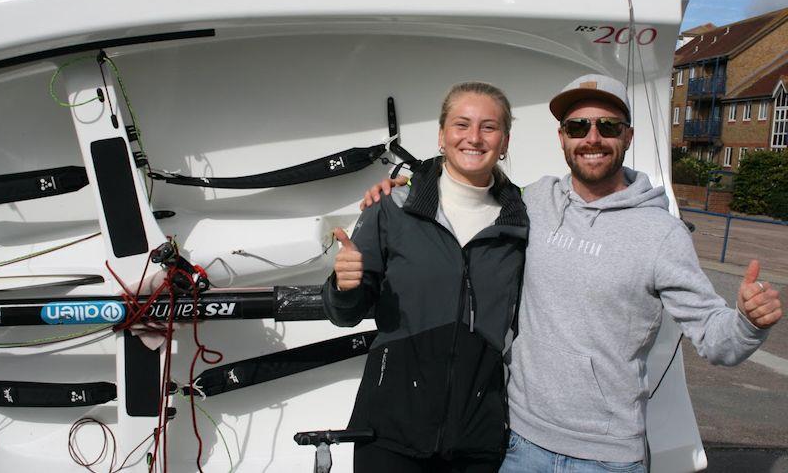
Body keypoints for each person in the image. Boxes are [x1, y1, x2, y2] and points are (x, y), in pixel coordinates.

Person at [361, 74, 783, 473]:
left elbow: (717, 341)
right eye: (578, 126)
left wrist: (747, 321)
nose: (592, 138)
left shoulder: (661, 234)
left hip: (607, 457)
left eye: (608, 126)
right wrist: (407, 188)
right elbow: (469, 188)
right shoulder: (534, 201)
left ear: (628, 137)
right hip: (518, 444)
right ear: (562, 138)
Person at [322, 82, 529, 473]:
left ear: (504, 142)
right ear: (441, 135)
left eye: (489, 127)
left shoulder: (522, 221)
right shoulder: (393, 207)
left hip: (478, 438)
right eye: (461, 124)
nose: (473, 137)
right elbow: (345, 314)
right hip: (389, 434)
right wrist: (343, 287)